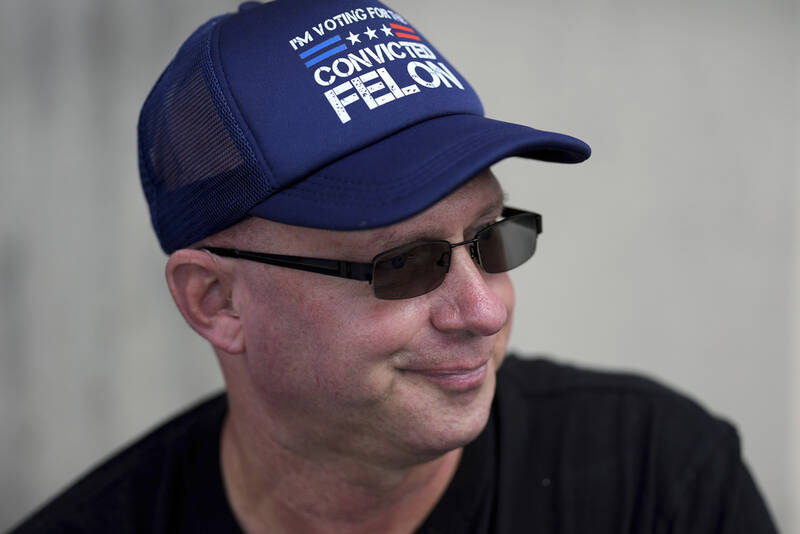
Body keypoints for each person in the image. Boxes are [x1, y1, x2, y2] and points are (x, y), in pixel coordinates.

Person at [12, 0, 778, 532]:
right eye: (403, 265)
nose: (482, 312)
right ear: (216, 301)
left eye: (490, 239)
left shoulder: (656, 481)